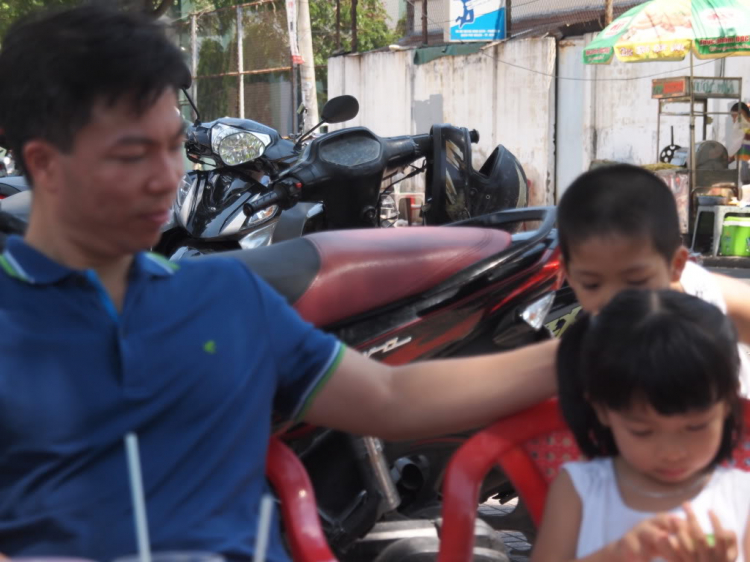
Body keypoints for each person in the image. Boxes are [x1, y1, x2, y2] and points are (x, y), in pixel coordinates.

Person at [0, 6, 558, 561]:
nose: (164, 179)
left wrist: (576, 358)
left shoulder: (224, 300)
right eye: (131, 153)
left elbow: (389, 397)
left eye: (172, 147)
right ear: (45, 163)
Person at [532, 289, 750, 562]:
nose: (672, 452)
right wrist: (614, 556)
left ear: (728, 406)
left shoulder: (741, 495)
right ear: (603, 410)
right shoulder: (580, 489)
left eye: (695, 427)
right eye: (642, 431)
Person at [557, 163, 750, 395]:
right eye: (591, 284)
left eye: (636, 281)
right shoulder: (583, 351)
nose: (614, 299)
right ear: (568, 276)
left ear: (676, 265)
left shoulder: (706, 297)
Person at [729, 102, 750, 186]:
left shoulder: (745, 127)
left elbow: (736, 146)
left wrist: (730, 155)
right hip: (745, 165)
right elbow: (741, 146)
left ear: (740, 113)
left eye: (734, 117)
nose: (733, 120)